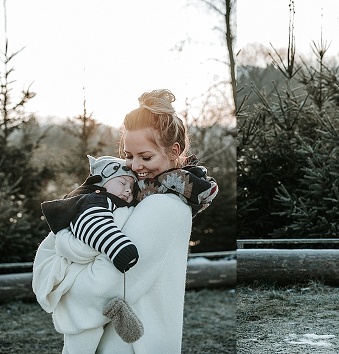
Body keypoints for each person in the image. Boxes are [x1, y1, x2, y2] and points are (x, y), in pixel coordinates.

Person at [32, 89, 219, 353]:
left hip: (130, 342)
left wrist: (68, 292)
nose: (134, 166)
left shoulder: (164, 205)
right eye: (129, 155)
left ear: (174, 150)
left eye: (146, 157)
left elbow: (109, 283)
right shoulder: (142, 193)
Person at [41, 155, 140, 273]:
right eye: (122, 183)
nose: (128, 190)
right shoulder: (95, 199)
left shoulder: (111, 201)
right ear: (101, 184)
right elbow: (93, 223)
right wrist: (120, 248)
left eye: (131, 188)